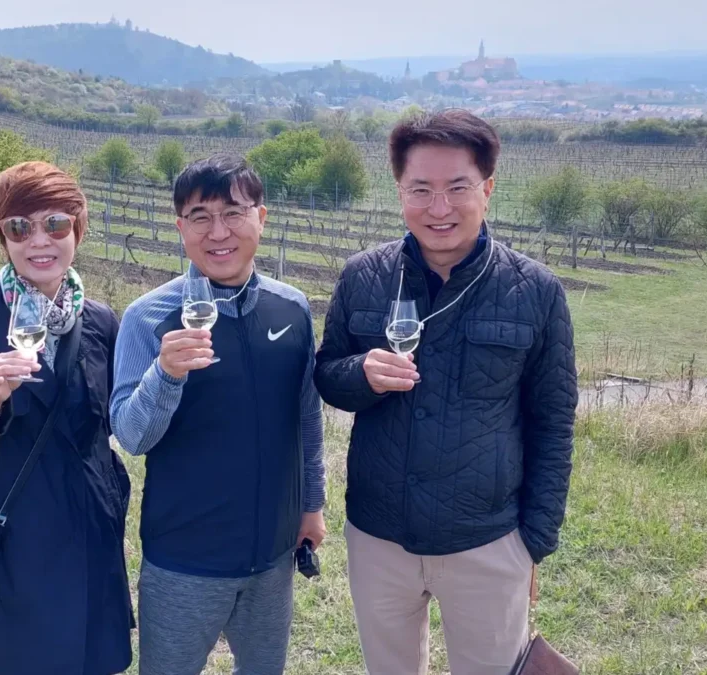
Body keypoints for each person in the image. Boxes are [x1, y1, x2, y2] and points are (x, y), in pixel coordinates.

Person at [313, 109, 578, 675]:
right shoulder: (364, 276)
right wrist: (362, 373)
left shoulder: (535, 291)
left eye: (458, 187)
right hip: (379, 535)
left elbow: (553, 421)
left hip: (486, 539)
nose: (439, 208)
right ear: (399, 192)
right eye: (421, 190)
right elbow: (327, 374)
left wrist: (532, 542)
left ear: (487, 189)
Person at [109, 154, 326, 675]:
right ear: (180, 228)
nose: (219, 232)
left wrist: (311, 506)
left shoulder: (292, 308)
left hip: (272, 557)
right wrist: (166, 374)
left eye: (233, 213)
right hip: (184, 560)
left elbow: (306, 417)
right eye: (200, 217)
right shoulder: (148, 317)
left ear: (261, 218)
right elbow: (131, 436)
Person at [0, 161, 134, 674]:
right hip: (10, 533)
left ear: (77, 229)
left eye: (55, 224)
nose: (40, 240)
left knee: (88, 660)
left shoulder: (101, 321)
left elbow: (116, 421)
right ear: (2, 235)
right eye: (20, 227)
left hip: (88, 528)